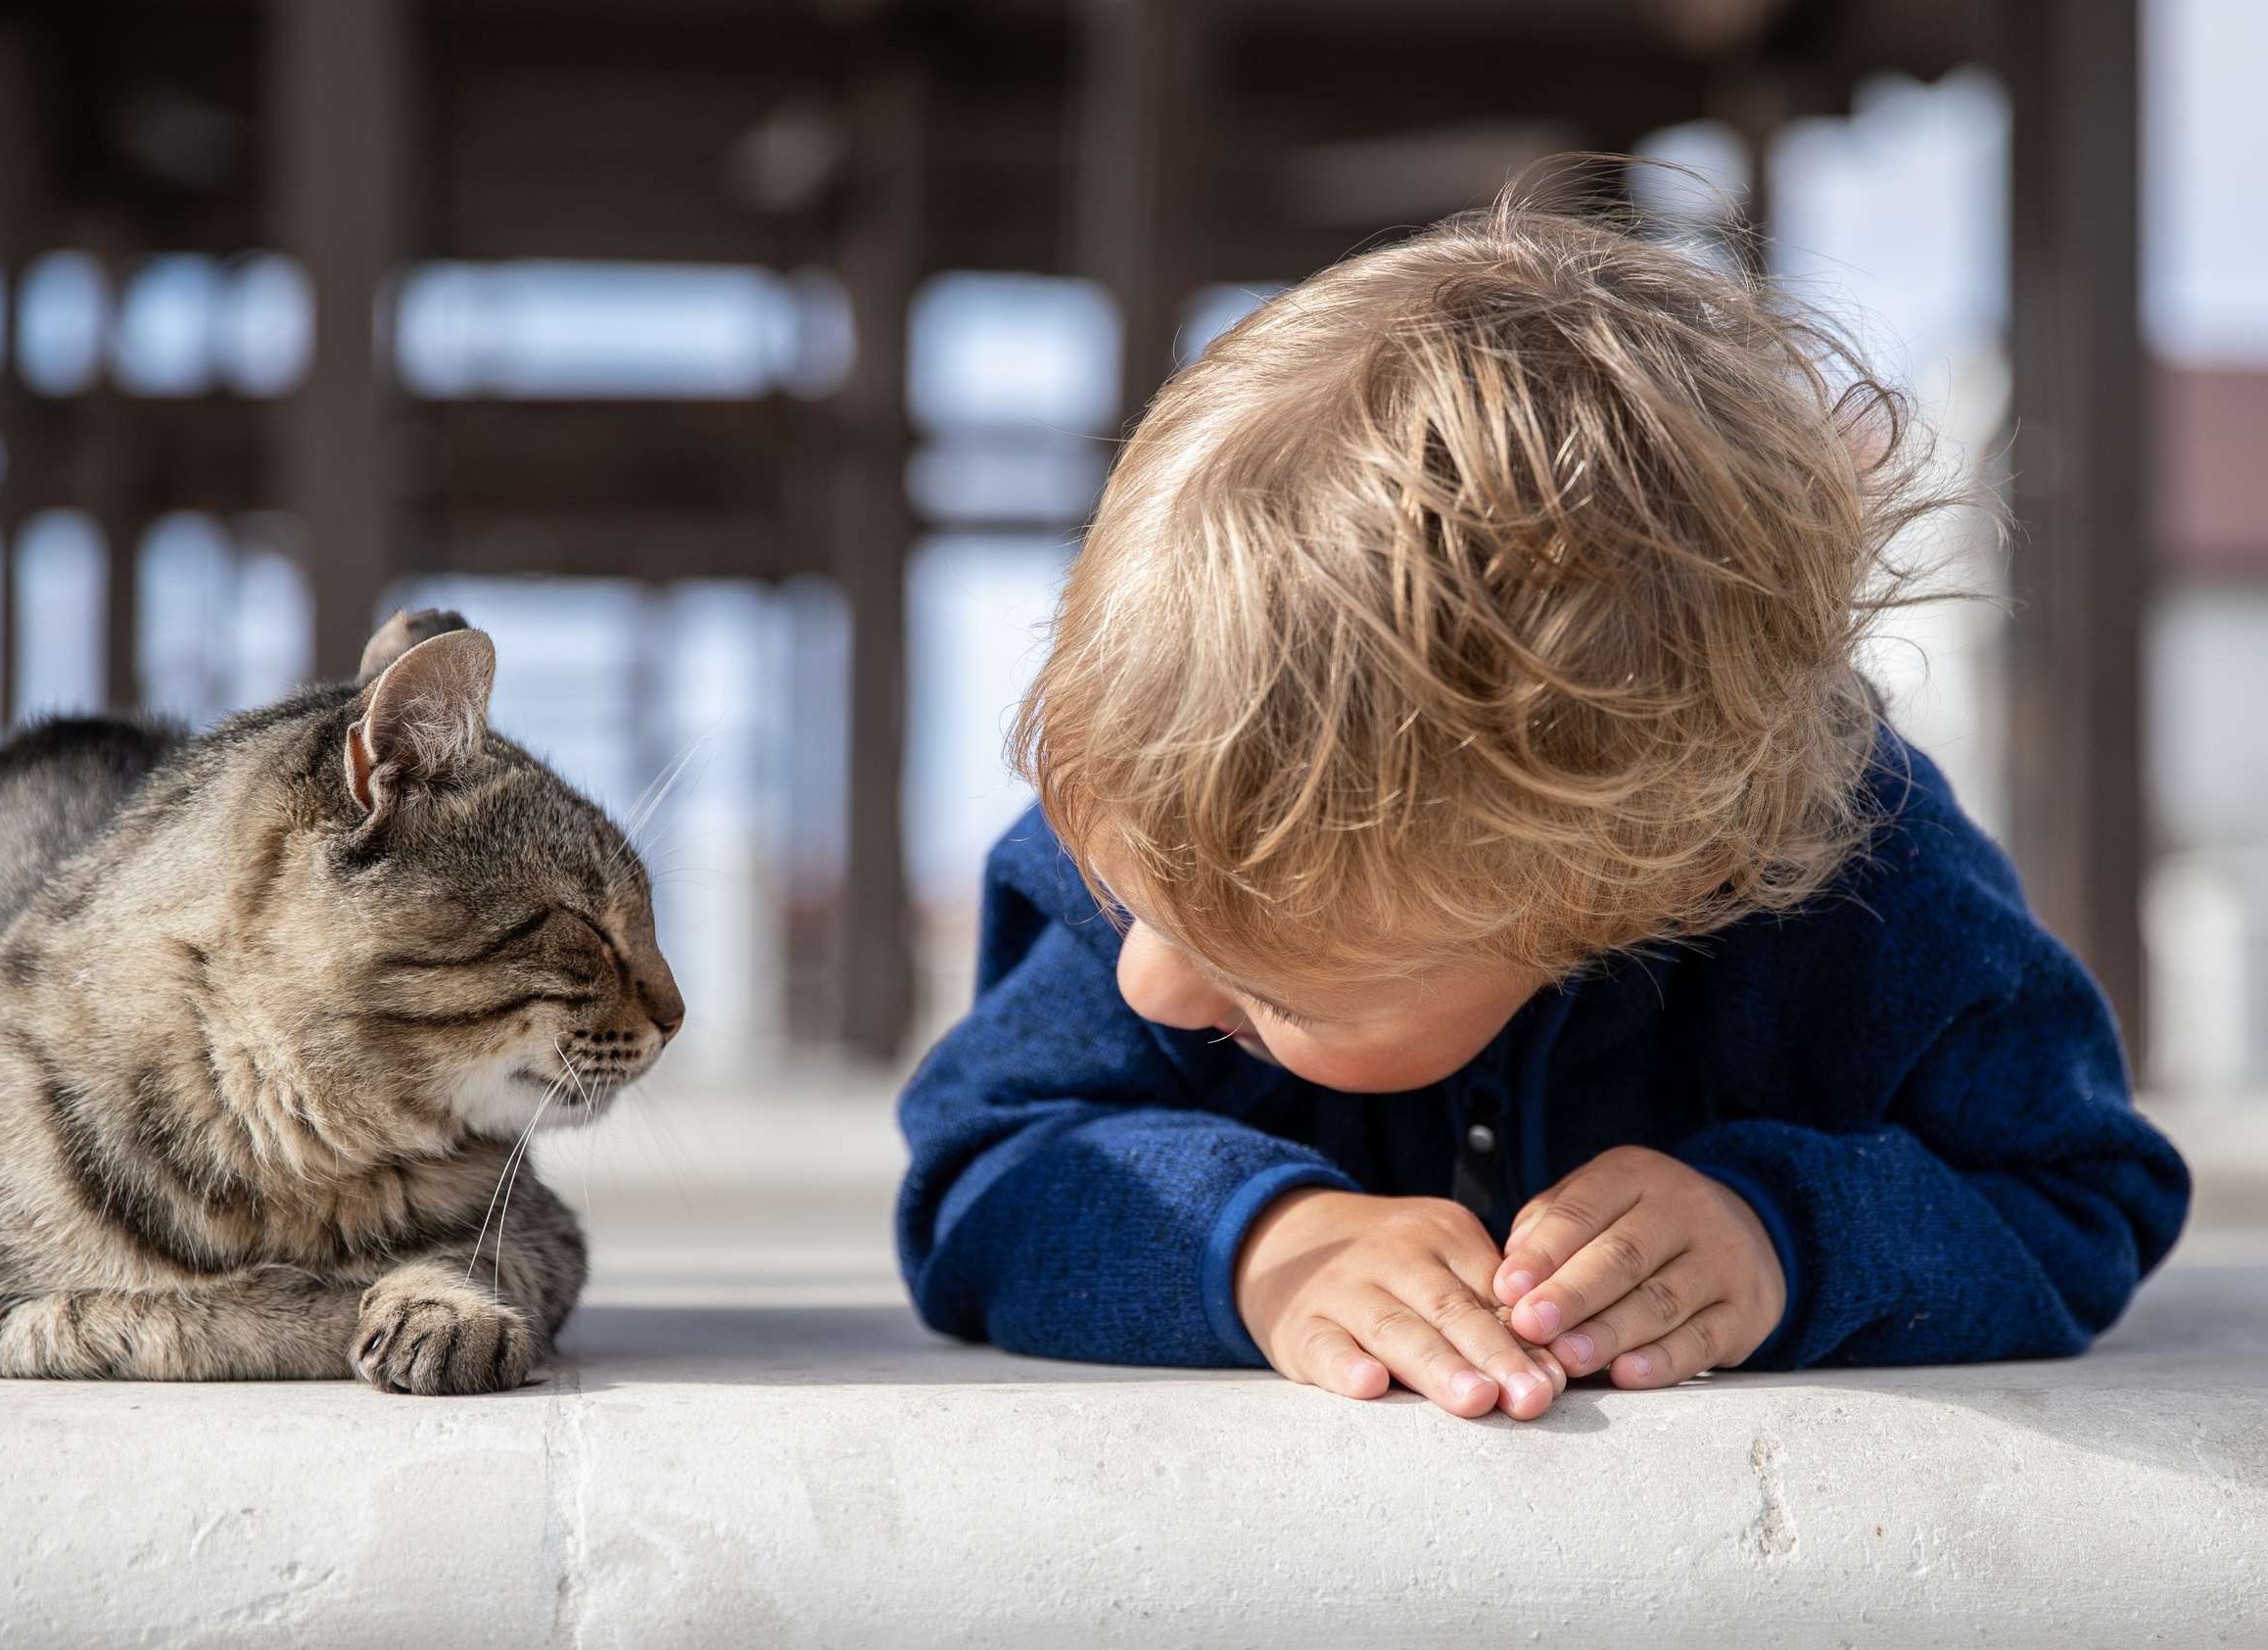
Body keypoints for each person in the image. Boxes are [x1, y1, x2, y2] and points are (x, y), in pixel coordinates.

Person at [892, 197, 2190, 1422]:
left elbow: (2079, 1192)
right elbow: (983, 1173)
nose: (1149, 983)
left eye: (1276, 983)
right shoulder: (1176, 814)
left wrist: (1781, 1235)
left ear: (1649, 878)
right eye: (1121, 891)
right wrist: (1263, 1243)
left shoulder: (1885, 898)